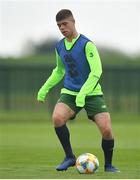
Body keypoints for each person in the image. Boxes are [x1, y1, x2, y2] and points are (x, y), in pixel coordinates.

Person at [37, 9, 120, 173]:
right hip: (69, 92)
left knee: (107, 129)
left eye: (64, 24)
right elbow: (59, 71)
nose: (62, 28)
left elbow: (97, 71)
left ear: (73, 22)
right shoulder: (59, 46)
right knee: (57, 118)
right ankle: (69, 157)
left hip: (92, 93)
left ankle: (109, 165)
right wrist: (44, 88)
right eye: (59, 25)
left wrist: (83, 93)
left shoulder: (87, 44)